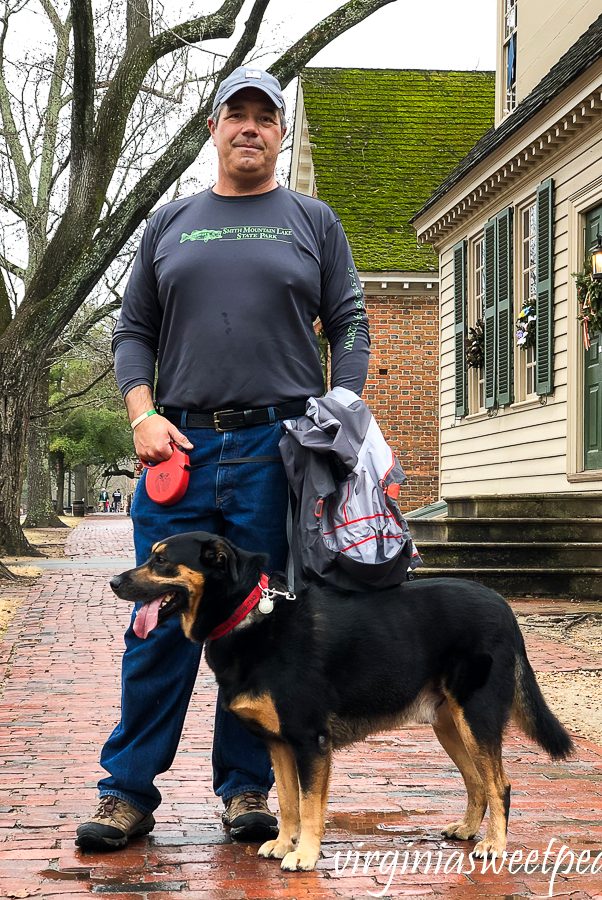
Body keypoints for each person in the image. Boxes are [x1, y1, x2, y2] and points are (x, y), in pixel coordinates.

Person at [75, 66, 370, 852]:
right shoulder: (172, 223)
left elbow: (350, 323)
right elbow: (132, 331)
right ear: (213, 128)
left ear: (280, 132)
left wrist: (341, 413)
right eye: (234, 114)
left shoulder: (313, 220)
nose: (249, 127)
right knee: (158, 622)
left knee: (262, 627)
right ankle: (127, 792)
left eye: (263, 117)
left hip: (280, 452)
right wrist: (141, 413)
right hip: (181, 448)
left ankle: (246, 788)